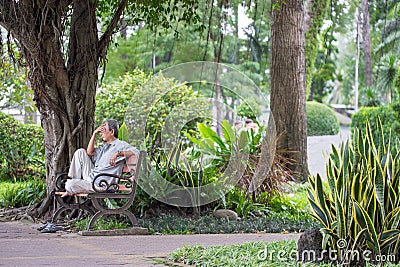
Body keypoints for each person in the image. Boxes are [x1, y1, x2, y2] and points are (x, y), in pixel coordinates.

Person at [61, 119, 139, 197]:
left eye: (103, 130)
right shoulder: (104, 147)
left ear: (112, 132)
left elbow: (137, 152)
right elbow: (89, 152)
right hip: (91, 179)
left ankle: (72, 187)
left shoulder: (121, 145)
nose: (101, 133)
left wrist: (118, 154)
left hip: (102, 184)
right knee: (80, 152)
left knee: (69, 184)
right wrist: (94, 133)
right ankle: (73, 184)